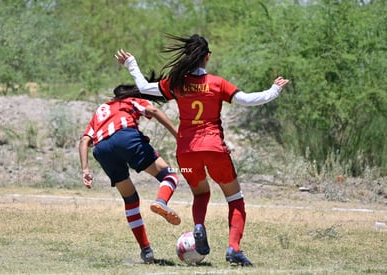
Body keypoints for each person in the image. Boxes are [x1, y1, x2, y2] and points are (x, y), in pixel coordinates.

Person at [115, 34, 290, 267]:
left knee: (200, 193)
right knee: (235, 198)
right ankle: (233, 249)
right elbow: (248, 100)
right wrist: (274, 90)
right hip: (214, 149)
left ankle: (199, 227)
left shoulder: (177, 82)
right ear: (207, 57)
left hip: (186, 154)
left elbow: (144, 87)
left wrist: (131, 64)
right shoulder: (217, 83)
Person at [79, 81, 181, 264]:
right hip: (125, 137)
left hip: (102, 149)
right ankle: (160, 201)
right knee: (170, 175)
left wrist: (85, 169)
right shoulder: (131, 100)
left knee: (131, 200)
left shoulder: (101, 109)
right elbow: (154, 111)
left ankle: (146, 251)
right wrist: (177, 135)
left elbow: (85, 140)